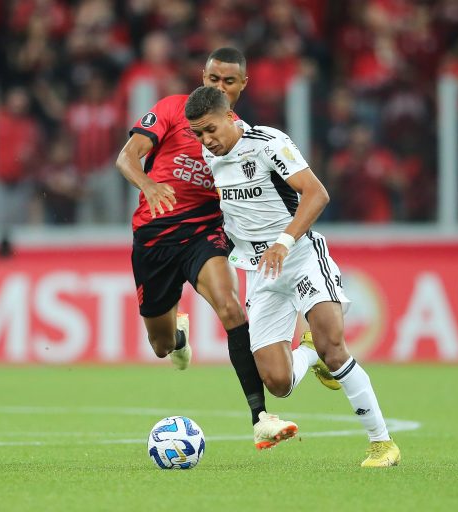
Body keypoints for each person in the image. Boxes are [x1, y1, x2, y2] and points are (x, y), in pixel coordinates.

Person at [116, 47, 328, 450]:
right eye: (213, 79)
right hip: (154, 237)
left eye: (229, 81)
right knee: (160, 346)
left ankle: (261, 418)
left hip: (203, 235)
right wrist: (148, 184)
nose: (219, 87)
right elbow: (127, 158)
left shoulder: (242, 136)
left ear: (242, 86)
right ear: (203, 76)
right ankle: (178, 337)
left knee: (231, 308)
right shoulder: (174, 109)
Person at [184, 85, 401, 467]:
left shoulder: (268, 143)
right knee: (278, 383)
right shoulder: (208, 156)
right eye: (198, 134)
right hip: (260, 273)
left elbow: (316, 193)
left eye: (211, 129)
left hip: (299, 256)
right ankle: (309, 351)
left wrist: (284, 242)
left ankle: (381, 443)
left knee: (335, 348)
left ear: (230, 117)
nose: (207, 140)